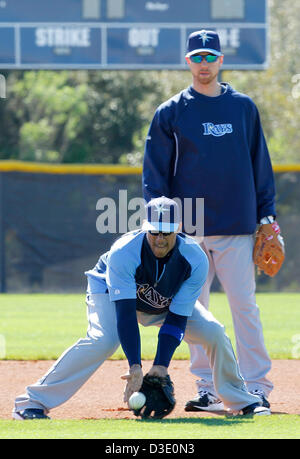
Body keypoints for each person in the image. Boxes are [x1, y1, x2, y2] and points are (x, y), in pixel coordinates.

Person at [13, 196, 269, 420]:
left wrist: (160, 366)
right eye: (154, 231)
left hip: (164, 302)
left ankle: (241, 400)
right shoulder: (124, 252)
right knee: (103, 341)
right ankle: (32, 402)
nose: (159, 238)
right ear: (145, 227)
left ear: (178, 230)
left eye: (165, 232)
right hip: (108, 292)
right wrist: (135, 365)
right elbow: (125, 316)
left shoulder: (194, 259)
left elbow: (177, 319)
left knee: (213, 331)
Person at [142, 30, 277, 413]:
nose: (204, 63)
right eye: (197, 56)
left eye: (210, 56)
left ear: (220, 61)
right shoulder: (171, 112)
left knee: (244, 308)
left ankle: (256, 386)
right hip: (188, 231)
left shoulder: (243, 107)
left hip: (236, 224)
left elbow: (260, 166)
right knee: (192, 311)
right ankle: (208, 389)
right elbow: (155, 174)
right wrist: (161, 223)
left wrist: (267, 217)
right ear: (187, 61)